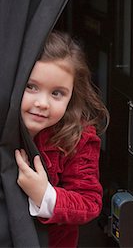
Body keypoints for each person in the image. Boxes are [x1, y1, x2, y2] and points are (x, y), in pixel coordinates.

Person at [15, 30, 109, 248]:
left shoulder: (80, 138)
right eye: (31, 87)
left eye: (57, 93)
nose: (42, 103)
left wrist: (44, 195)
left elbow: (89, 202)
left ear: (72, 96)